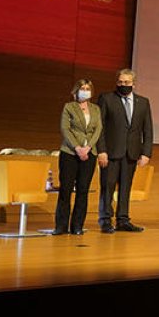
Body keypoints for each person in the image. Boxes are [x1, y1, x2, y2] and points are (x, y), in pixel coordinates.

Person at [96, 68, 153, 233]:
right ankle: (105, 220)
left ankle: (123, 220)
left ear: (133, 84)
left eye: (127, 82)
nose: (123, 85)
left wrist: (146, 152)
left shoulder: (143, 102)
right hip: (111, 153)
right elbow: (100, 127)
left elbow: (147, 129)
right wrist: (101, 150)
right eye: (120, 82)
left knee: (126, 187)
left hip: (132, 153)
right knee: (108, 186)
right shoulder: (106, 99)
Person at [54, 78, 102, 235]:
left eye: (88, 88)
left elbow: (98, 130)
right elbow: (65, 129)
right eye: (83, 88)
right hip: (70, 153)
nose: (85, 91)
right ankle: (61, 226)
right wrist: (77, 148)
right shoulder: (69, 107)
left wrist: (88, 148)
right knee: (66, 190)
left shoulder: (95, 109)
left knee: (83, 190)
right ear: (76, 90)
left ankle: (77, 226)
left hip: (90, 154)